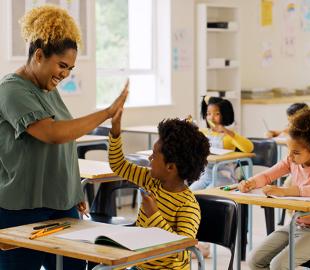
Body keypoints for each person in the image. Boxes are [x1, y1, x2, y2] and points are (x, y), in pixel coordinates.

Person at [0, 5, 128, 270]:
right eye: (61, 65)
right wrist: (106, 112)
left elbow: (66, 138)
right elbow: (53, 134)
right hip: (22, 209)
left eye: (70, 68)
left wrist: (71, 189)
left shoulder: (47, 88)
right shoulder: (11, 90)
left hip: (61, 205)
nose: (65, 74)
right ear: (38, 55)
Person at [108, 96, 210, 270]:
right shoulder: (151, 180)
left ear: (170, 167)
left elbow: (181, 251)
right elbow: (119, 165)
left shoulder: (188, 206)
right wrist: (116, 133)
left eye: (154, 155)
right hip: (139, 266)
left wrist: (154, 214)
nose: (149, 158)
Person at [238, 105, 310, 270]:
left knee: (279, 265)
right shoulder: (291, 161)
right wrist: (251, 182)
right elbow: (267, 176)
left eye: (296, 152)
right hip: (297, 226)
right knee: (254, 261)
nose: (290, 156)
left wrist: (285, 191)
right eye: (289, 151)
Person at [189, 96, 254, 191]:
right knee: (190, 192)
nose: (211, 117)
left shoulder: (228, 136)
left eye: (217, 114)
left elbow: (249, 148)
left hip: (225, 179)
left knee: (207, 194)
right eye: (208, 114)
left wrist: (228, 132)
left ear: (224, 115)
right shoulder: (204, 133)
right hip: (206, 177)